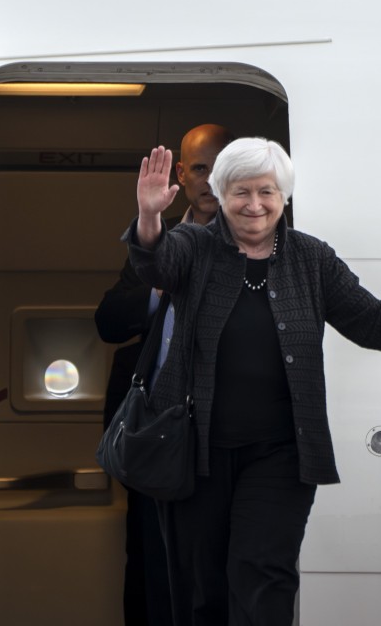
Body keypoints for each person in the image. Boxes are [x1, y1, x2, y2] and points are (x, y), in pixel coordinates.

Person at [125, 138, 381, 626]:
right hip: (193, 456)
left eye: (267, 191)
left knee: (264, 576)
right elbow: (153, 264)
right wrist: (150, 217)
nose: (255, 204)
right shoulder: (193, 247)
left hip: (281, 455)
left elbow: (373, 322)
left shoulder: (312, 259)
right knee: (205, 591)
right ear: (220, 194)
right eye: (241, 192)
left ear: (284, 195)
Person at [95, 124, 234, 626]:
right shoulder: (155, 238)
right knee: (151, 562)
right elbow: (108, 321)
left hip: (224, 435)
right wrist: (162, 288)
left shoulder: (260, 241)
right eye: (200, 168)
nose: (211, 181)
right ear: (181, 174)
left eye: (222, 170)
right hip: (156, 435)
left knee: (216, 566)